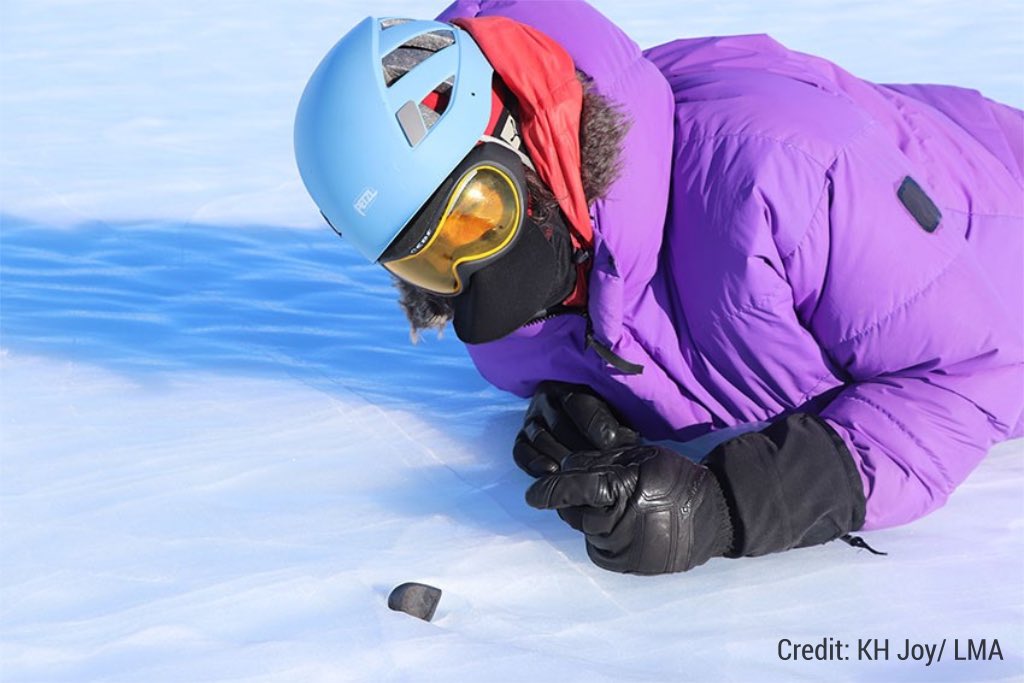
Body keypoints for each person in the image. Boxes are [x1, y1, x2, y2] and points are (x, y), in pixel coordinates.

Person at [293, 1, 1024, 574]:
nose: (468, 281)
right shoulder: (509, 334)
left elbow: (974, 374)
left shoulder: (778, 180)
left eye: (478, 217)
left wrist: (729, 506)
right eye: (426, 263)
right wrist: (576, 407)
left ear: (527, 140)